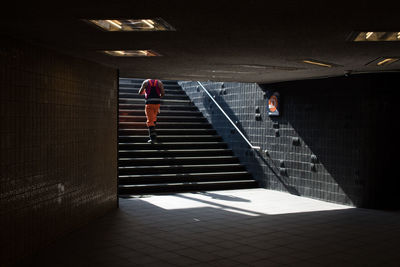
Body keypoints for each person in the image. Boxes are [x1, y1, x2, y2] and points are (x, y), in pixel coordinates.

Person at [138, 79, 165, 143]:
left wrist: (145, 91)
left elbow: (140, 92)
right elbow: (163, 94)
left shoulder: (145, 82)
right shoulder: (159, 82)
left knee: (150, 121)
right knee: (154, 119)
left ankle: (153, 138)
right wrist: (157, 96)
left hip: (149, 104)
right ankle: (154, 133)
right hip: (157, 104)